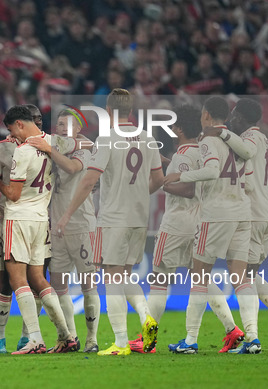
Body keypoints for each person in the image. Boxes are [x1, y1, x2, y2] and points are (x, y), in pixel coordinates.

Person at [55, 88, 164, 356]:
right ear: (130, 109)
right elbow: (159, 179)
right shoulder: (149, 139)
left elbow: (89, 180)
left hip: (114, 218)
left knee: (112, 278)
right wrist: (137, 194)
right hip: (140, 218)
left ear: (108, 109)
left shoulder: (108, 139)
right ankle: (146, 316)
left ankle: (120, 342)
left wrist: (67, 213)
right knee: (124, 275)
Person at [129, 105, 243, 354]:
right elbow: (189, 175)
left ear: (179, 128)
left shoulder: (183, 157)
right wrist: (170, 166)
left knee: (159, 279)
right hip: (199, 221)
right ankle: (232, 328)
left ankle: (147, 338)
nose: (170, 128)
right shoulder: (200, 151)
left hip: (177, 223)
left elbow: (187, 188)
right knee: (200, 279)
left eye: (173, 124)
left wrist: (163, 184)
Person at [165, 96, 260, 354]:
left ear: (206, 115)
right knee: (241, 278)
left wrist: (179, 175)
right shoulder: (238, 140)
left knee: (199, 275)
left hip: (217, 212)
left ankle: (191, 339)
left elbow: (212, 171)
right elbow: (248, 159)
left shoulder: (208, 140)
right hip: (242, 211)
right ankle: (252, 338)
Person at [203, 98, 268, 350]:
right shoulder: (264, 140)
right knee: (249, 275)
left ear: (243, 117)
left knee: (242, 277)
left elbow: (245, 152)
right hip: (267, 211)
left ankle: (253, 337)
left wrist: (221, 132)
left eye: (234, 114)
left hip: (253, 213)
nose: (231, 118)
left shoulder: (252, 140)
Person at [0, 105, 77, 354]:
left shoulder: (22, 152)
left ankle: (35, 338)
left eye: (12, 129)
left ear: (20, 124)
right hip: (41, 219)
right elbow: (82, 145)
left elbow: (12, 194)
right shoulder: (54, 143)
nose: (12, 136)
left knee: (17, 279)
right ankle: (66, 335)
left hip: (18, 219)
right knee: (39, 279)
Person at [27, 108, 100, 353]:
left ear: (78, 129)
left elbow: (70, 167)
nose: (61, 128)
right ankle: (71, 337)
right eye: (59, 124)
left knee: (89, 285)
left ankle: (92, 339)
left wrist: (50, 149)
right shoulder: (57, 149)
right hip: (56, 225)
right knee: (59, 286)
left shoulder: (85, 150)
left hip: (82, 224)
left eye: (66, 125)